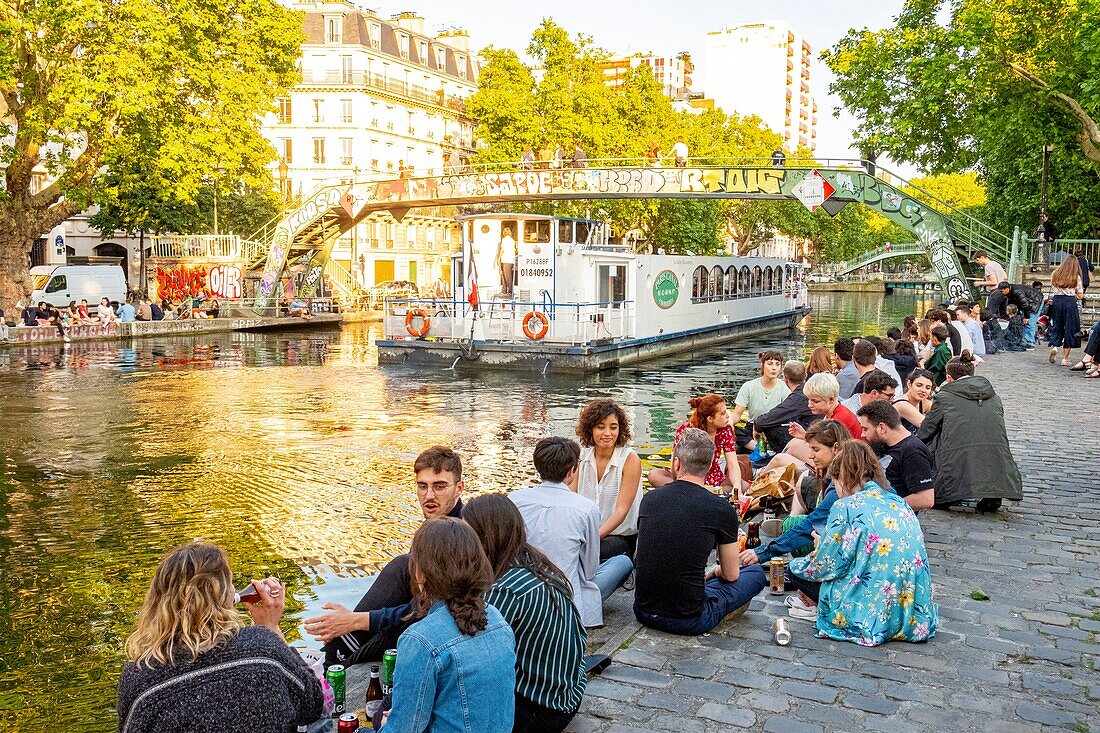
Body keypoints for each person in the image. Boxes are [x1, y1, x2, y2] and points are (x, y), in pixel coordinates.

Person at [117, 542, 323, 732]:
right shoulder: (264, 648)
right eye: (231, 582)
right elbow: (313, 705)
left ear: (157, 603)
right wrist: (270, 627)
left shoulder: (139, 676)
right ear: (224, 596)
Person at [305, 446, 467, 667]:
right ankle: (336, 654)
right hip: (429, 616)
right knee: (402, 570)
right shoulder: (438, 526)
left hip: (447, 625)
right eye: (422, 486)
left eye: (439, 487)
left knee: (402, 568)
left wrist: (355, 621)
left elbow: (429, 608)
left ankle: (334, 662)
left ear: (459, 488)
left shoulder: (460, 536)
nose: (429, 496)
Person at [787, 442, 938, 645]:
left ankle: (819, 603)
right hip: (910, 606)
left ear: (844, 479)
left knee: (795, 570)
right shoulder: (897, 500)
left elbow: (827, 565)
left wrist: (820, 546)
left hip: (870, 604)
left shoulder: (845, 506)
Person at [378, 519, 516, 733]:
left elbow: (403, 730)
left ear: (421, 571)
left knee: (378, 717)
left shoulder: (420, 640)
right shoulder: (497, 620)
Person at [463, 495, 586, 733]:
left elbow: (474, 654)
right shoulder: (536, 563)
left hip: (540, 708)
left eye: (468, 537)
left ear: (486, 539)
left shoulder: (505, 589)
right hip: (568, 692)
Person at [633, 428, 767, 635]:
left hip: (643, 610)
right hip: (690, 618)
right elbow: (731, 575)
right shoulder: (721, 509)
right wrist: (715, 571)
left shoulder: (650, 500)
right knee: (755, 573)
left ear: (677, 464)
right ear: (708, 467)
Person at [510, 437, 633, 628]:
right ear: (572, 471)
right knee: (623, 562)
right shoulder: (585, 508)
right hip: (566, 600)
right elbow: (590, 569)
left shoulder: (515, 500)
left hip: (524, 590)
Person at [739, 420, 853, 570]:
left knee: (795, 563)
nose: (811, 456)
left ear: (836, 448)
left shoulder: (843, 482)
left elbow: (814, 522)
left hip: (850, 550)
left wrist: (763, 553)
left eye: (816, 450)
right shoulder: (846, 471)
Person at [918, 352, 1023, 512]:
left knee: (937, 439)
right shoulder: (994, 397)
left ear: (949, 378)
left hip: (956, 452)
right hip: (995, 451)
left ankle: (948, 490)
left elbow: (927, 429)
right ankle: (992, 494)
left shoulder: (945, 397)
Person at [571, 398, 642, 562]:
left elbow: (621, 511)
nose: (608, 433)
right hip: (585, 534)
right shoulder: (581, 456)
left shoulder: (629, 459)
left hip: (620, 537)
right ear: (590, 429)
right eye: (600, 427)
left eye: (613, 427)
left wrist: (592, 539)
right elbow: (571, 498)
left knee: (583, 555)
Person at [857, 401, 936, 511]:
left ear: (882, 428)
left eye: (865, 429)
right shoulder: (884, 445)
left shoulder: (913, 452)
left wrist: (883, 505)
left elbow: (925, 499)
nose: (862, 434)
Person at [647, 394, 737, 490]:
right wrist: (676, 482)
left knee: (740, 484)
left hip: (713, 479)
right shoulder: (685, 430)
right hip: (685, 478)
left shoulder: (725, 431)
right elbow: (674, 460)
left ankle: (690, 491)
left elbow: (732, 463)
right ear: (710, 419)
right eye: (723, 413)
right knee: (654, 475)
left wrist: (737, 488)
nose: (728, 416)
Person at [774, 372, 863, 466]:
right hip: (841, 460)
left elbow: (829, 453)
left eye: (815, 401)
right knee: (794, 443)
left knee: (779, 459)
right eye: (809, 399)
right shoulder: (834, 412)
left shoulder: (838, 419)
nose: (809, 405)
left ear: (831, 400)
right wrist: (805, 435)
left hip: (847, 464)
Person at [729, 350, 791, 452]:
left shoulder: (784, 388)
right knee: (729, 429)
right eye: (770, 364)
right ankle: (757, 448)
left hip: (773, 428)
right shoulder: (748, 386)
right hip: (752, 426)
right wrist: (729, 423)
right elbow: (736, 414)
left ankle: (761, 448)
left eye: (777, 364)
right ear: (762, 365)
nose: (774, 368)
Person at [754, 360, 815, 454]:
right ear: (805, 375)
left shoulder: (798, 397)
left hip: (808, 436)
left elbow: (765, 420)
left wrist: (757, 425)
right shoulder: (809, 391)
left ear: (785, 378)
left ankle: (780, 453)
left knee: (770, 426)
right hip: (813, 430)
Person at [1047, 255, 1083, 366]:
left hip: (1057, 301)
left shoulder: (1055, 274)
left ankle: (1055, 347)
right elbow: (1080, 294)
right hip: (1069, 302)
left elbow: (1052, 288)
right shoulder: (1075, 277)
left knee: (1057, 325)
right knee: (1070, 328)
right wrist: (1077, 295)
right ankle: (1065, 358)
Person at [892, 368, 934, 433]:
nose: (923, 390)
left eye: (928, 388)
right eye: (919, 385)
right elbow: (927, 426)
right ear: (909, 384)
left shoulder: (924, 403)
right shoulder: (902, 405)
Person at [497, 225, 517, 299]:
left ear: (504, 233)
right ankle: (505, 289)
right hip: (511, 260)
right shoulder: (512, 240)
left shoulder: (505, 240)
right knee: (507, 274)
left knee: (506, 275)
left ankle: (509, 290)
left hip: (505, 259)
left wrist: (499, 256)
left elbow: (502, 249)